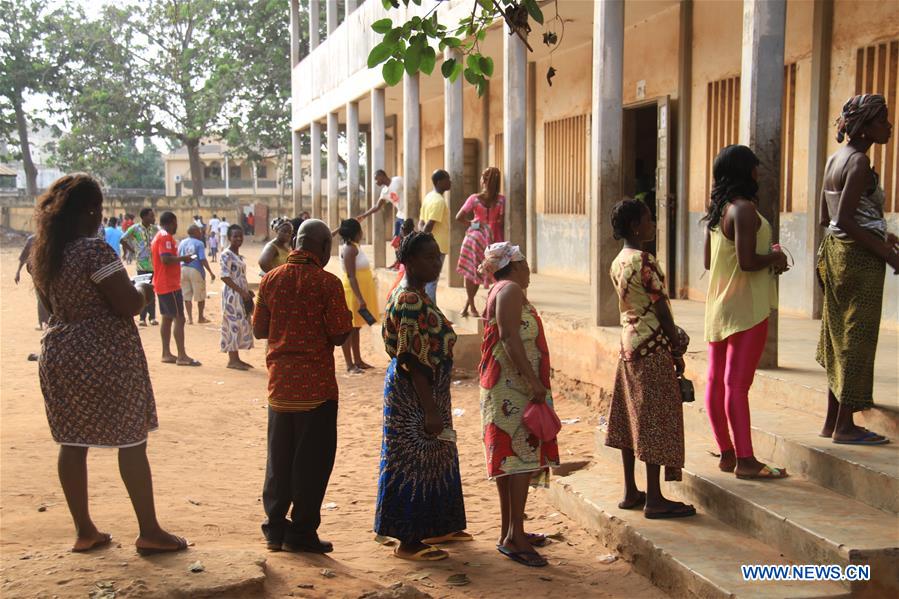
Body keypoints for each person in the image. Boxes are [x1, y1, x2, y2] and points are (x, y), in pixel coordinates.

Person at [32, 173, 186, 555]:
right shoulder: (93, 251)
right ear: (89, 211)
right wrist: (144, 288)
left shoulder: (45, 252)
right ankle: (149, 530)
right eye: (98, 210)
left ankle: (85, 530)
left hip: (61, 352)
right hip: (105, 356)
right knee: (131, 440)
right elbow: (127, 304)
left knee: (71, 442)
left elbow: (50, 307)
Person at [253, 219, 352, 553]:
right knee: (312, 464)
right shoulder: (327, 284)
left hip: (279, 386)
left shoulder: (270, 280)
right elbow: (339, 335)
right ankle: (302, 531)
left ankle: (274, 530)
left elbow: (259, 330)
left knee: (278, 460)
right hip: (316, 389)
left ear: (296, 242)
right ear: (324, 247)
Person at [375, 231, 467, 562]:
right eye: (429, 257)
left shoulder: (414, 293)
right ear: (410, 261)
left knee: (435, 457)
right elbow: (412, 359)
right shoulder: (410, 300)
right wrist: (429, 408)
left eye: (438, 255)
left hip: (423, 391)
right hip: (414, 393)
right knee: (412, 462)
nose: (437, 262)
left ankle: (437, 524)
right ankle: (408, 540)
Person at [605, 200, 695, 520]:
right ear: (634, 226)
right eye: (648, 218)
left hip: (628, 344)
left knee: (630, 418)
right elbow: (661, 308)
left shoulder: (618, 261)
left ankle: (631, 490)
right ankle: (655, 498)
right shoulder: (645, 260)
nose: (653, 223)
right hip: (652, 346)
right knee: (654, 420)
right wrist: (675, 343)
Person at [703, 145, 789, 479]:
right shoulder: (745, 210)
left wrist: (762, 256)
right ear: (745, 172)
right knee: (737, 386)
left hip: (720, 304)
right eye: (755, 167)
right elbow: (748, 261)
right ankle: (746, 460)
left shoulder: (718, 210)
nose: (759, 172)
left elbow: (710, 261)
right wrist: (775, 257)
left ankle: (727, 453)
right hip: (746, 308)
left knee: (716, 381)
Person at [818, 94, 897, 445]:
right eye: (882, 120)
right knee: (856, 339)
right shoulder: (860, 162)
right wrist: (887, 254)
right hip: (857, 260)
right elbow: (845, 218)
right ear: (865, 127)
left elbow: (827, 217)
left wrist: (882, 232)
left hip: (835, 254)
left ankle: (832, 420)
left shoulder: (835, 159)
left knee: (839, 336)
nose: (889, 125)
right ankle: (846, 426)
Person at [478, 242, 560, 567]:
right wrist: (532, 382)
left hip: (507, 386)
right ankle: (514, 536)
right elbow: (510, 337)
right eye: (525, 263)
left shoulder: (502, 288)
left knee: (511, 462)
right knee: (519, 458)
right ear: (515, 265)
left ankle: (511, 531)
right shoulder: (510, 289)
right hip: (511, 388)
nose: (529, 270)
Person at [151, 211, 200, 366]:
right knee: (179, 318)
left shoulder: (160, 235)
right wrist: (184, 258)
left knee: (167, 317)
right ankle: (181, 355)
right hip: (169, 284)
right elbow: (165, 259)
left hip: (162, 283)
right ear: (172, 222)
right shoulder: (165, 236)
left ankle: (166, 353)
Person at [456, 167, 505, 317]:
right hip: (495, 242)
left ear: (483, 180)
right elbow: (502, 221)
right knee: (495, 276)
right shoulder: (501, 200)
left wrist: (475, 224)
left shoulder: (474, 199)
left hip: (475, 239)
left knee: (472, 273)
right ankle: (471, 307)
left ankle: (470, 307)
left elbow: (459, 217)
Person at [337, 219, 379, 373]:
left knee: (356, 328)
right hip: (353, 293)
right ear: (356, 233)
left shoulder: (355, 247)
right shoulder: (349, 249)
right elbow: (351, 276)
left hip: (360, 291)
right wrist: (360, 298)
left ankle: (358, 360)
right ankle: (349, 364)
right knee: (349, 328)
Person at [220, 224, 255, 370]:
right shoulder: (226, 254)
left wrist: (247, 291)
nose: (238, 239)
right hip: (232, 296)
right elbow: (225, 277)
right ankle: (232, 360)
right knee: (232, 324)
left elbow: (239, 276)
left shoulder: (237, 255)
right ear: (229, 238)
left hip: (240, 294)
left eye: (240, 236)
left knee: (241, 324)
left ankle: (236, 358)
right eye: (235, 236)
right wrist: (241, 292)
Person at [122, 208, 160, 326]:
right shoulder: (135, 228)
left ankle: (152, 317)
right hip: (141, 265)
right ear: (143, 217)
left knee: (152, 290)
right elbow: (123, 239)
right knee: (143, 290)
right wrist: (133, 251)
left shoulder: (155, 229)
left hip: (154, 264)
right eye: (151, 216)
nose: (153, 218)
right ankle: (142, 318)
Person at [418, 169, 451, 304]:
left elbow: (421, 222)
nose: (450, 182)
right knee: (431, 282)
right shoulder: (438, 201)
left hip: (431, 246)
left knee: (427, 281)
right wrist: (424, 242)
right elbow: (428, 225)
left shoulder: (429, 197)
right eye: (447, 179)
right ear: (440, 182)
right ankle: (431, 315)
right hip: (436, 247)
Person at [178, 225, 216, 325]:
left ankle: (190, 318)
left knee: (186, 295)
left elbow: (178, 256)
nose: (200, 233)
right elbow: (202, 259)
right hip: (195, 269)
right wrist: (210, 272)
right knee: (200, 295)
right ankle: (200, 317)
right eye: (199, 231)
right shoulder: (199, 243)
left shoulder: (182, 242)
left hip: (183, 269)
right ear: (194, 232)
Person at [15, 234, 50, 330]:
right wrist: (18, 272)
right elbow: (24, 257)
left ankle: (45, 322)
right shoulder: (32, 240)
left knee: (43, 298)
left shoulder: (48, 239)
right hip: (39, 274)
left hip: (45, 274)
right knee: (42, 298)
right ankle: (44, 322)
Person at [357, 170, 405, 237]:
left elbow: (410, 189)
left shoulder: (397, 180)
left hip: (408, 213)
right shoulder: (384, 192)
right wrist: (364, 215)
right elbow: (377, 206)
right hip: (400, 215)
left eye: (376, 179)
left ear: (381, 176)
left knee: (405, 237)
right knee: (396, 238)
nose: (375, 182)